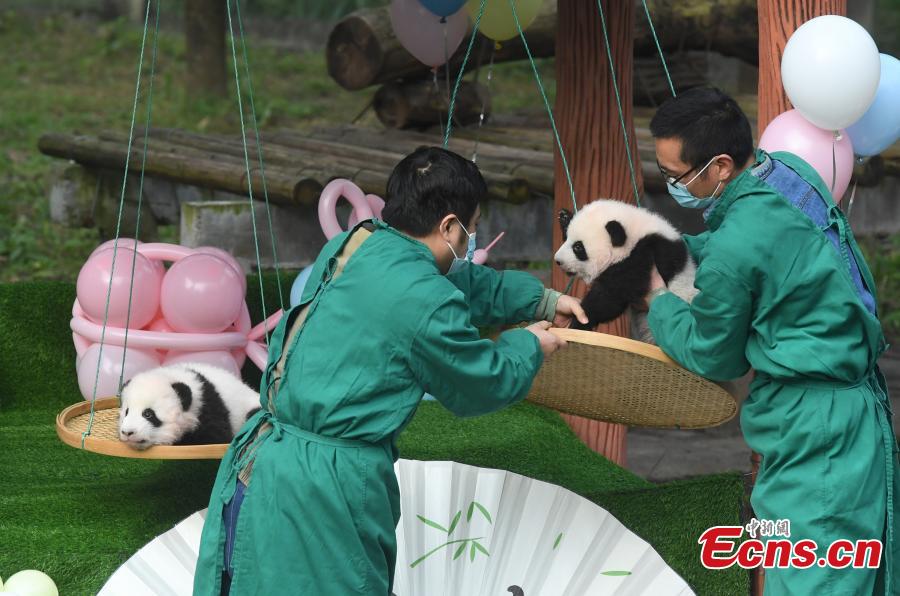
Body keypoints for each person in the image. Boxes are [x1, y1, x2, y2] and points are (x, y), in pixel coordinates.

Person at [193, 146, 586, 595]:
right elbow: (484, 380)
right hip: (323, 487)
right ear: (450, 228)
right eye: (472, 228)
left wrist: (540, 300)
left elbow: (456, 281)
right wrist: (529, 344)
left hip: (260, 465)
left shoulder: (357, 242)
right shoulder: (424, 298)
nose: (472, 238)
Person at [644, 86, 899, 594]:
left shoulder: (741, 240)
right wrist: (667, 247)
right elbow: (735, 244)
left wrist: (658, 300)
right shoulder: (786, 172)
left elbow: (713, 352)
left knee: (813, 579)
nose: (672, 185)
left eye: (676, 176)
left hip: (815, 427)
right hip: (845, 413)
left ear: (718, 166)